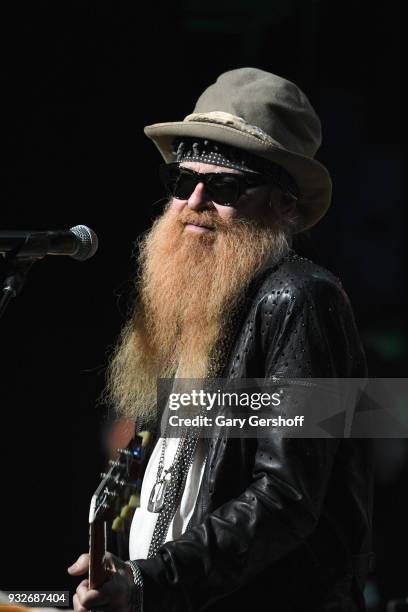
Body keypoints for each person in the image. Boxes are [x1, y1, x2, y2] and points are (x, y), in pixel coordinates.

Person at [68, 67, 374, 612]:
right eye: (183, 182)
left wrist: (151, 581)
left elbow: (286, 498)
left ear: (283, 205)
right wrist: (124, 565)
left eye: (227, 185)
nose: (197, 199)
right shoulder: (197, 301)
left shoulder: (302, 299)